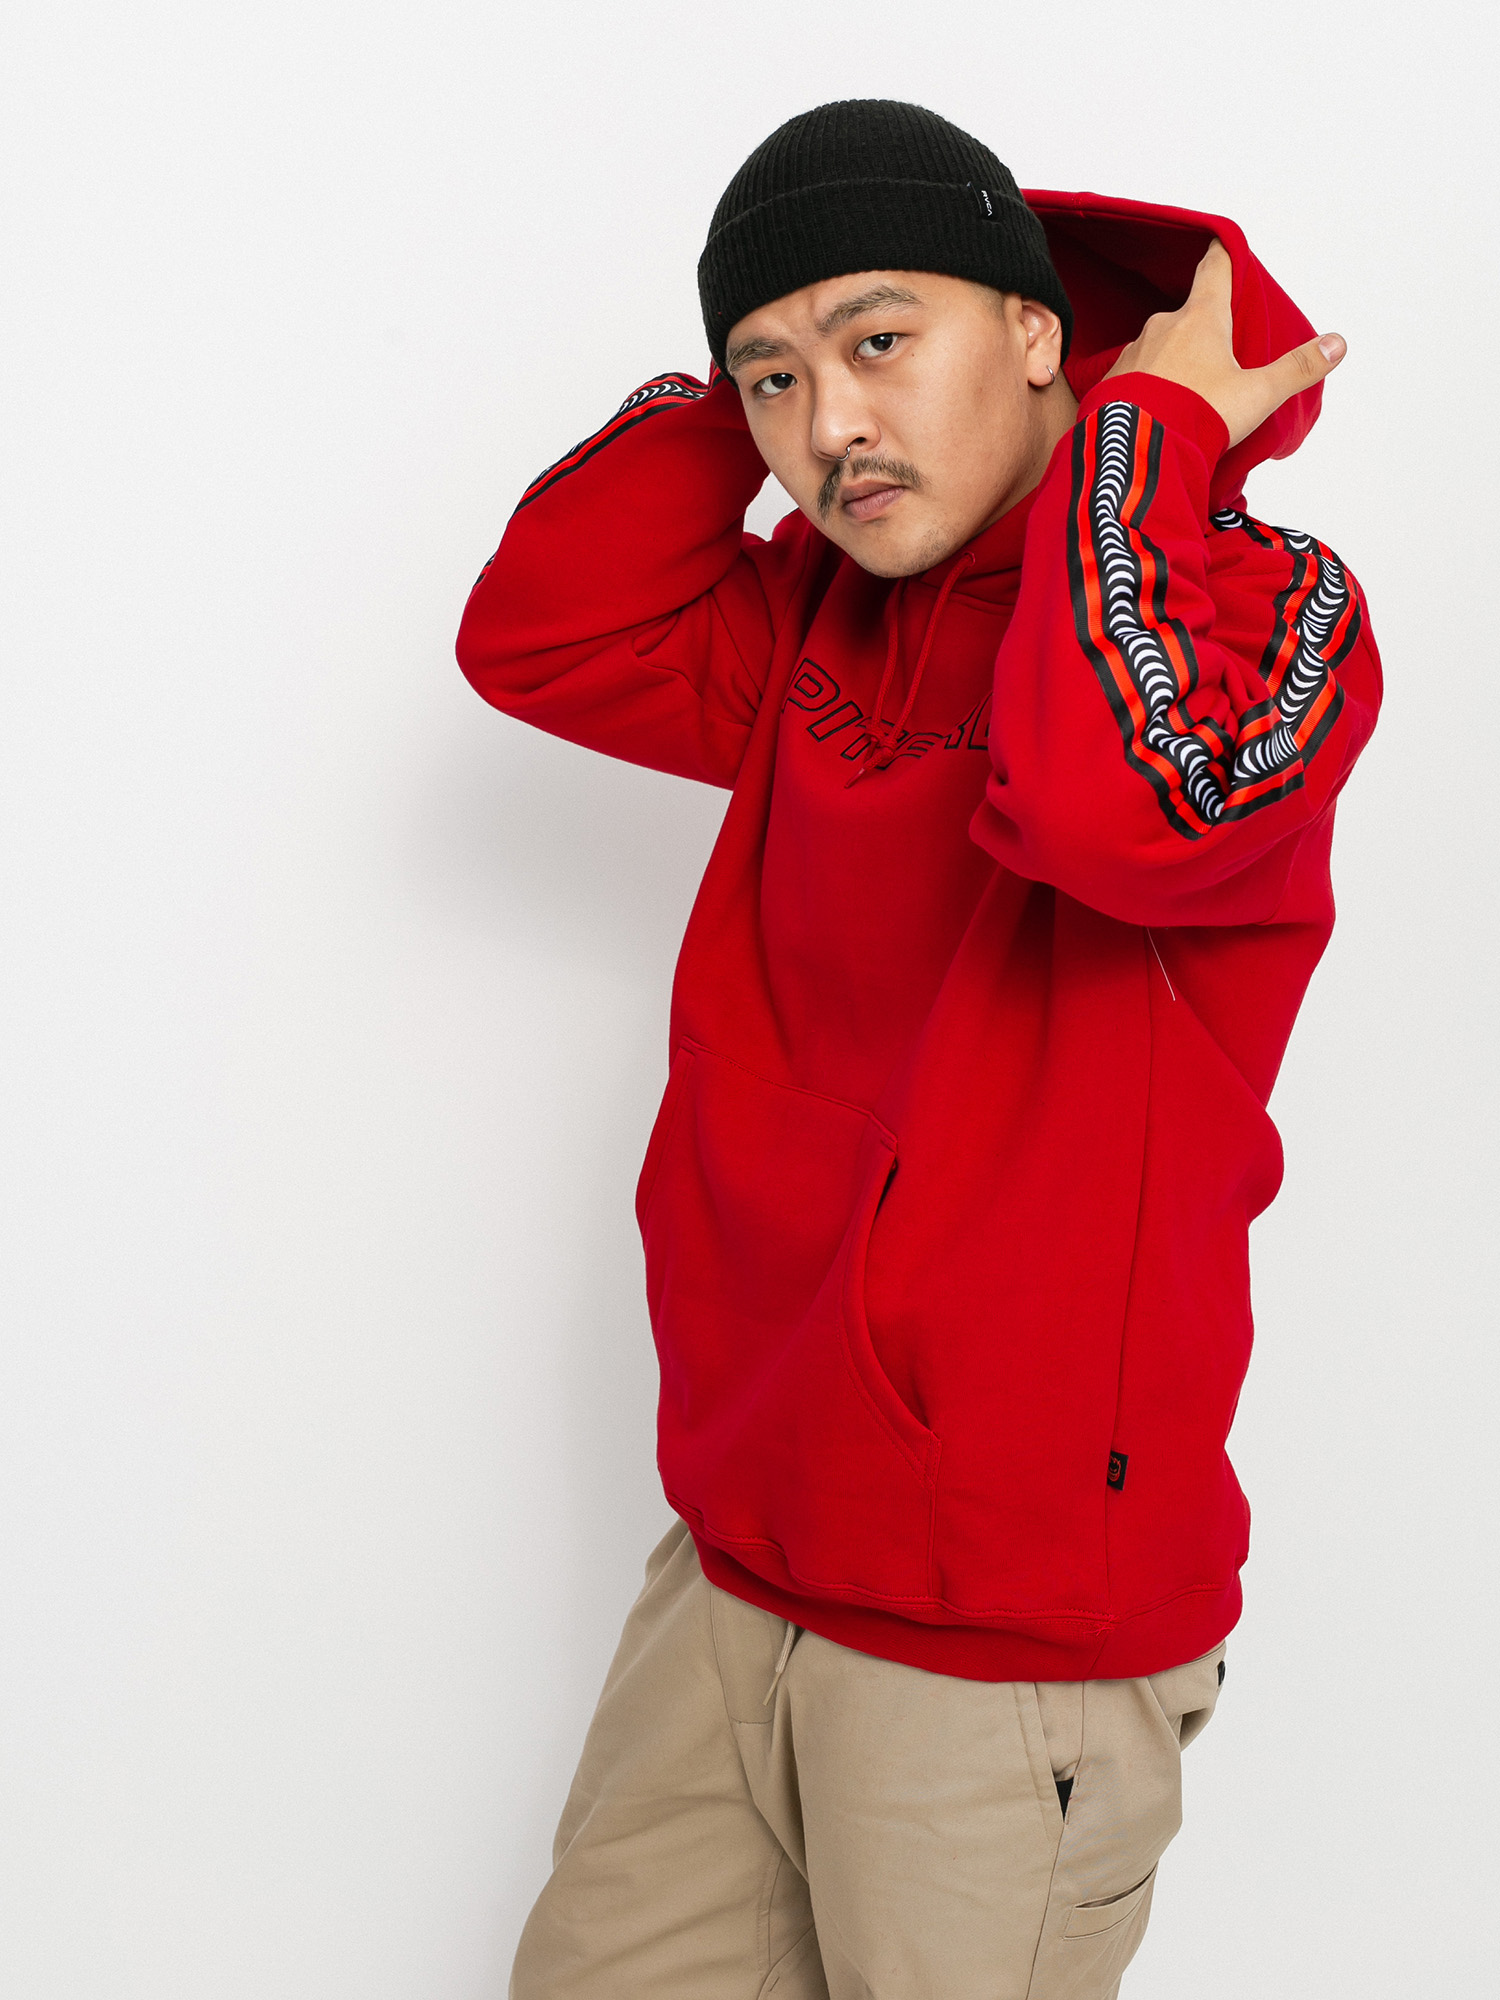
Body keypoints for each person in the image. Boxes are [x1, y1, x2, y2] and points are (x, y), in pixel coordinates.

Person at [457, 98, 1381, 2000]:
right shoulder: (812, 623)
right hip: (740, 1554)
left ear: (1042, 332)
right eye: (776, 380)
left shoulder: (1270, 612)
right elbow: (538, 635)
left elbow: (1113, 810)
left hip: (1004, 1625)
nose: (830, 428)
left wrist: (1147, 435)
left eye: (885, 340)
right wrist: (779, 351)